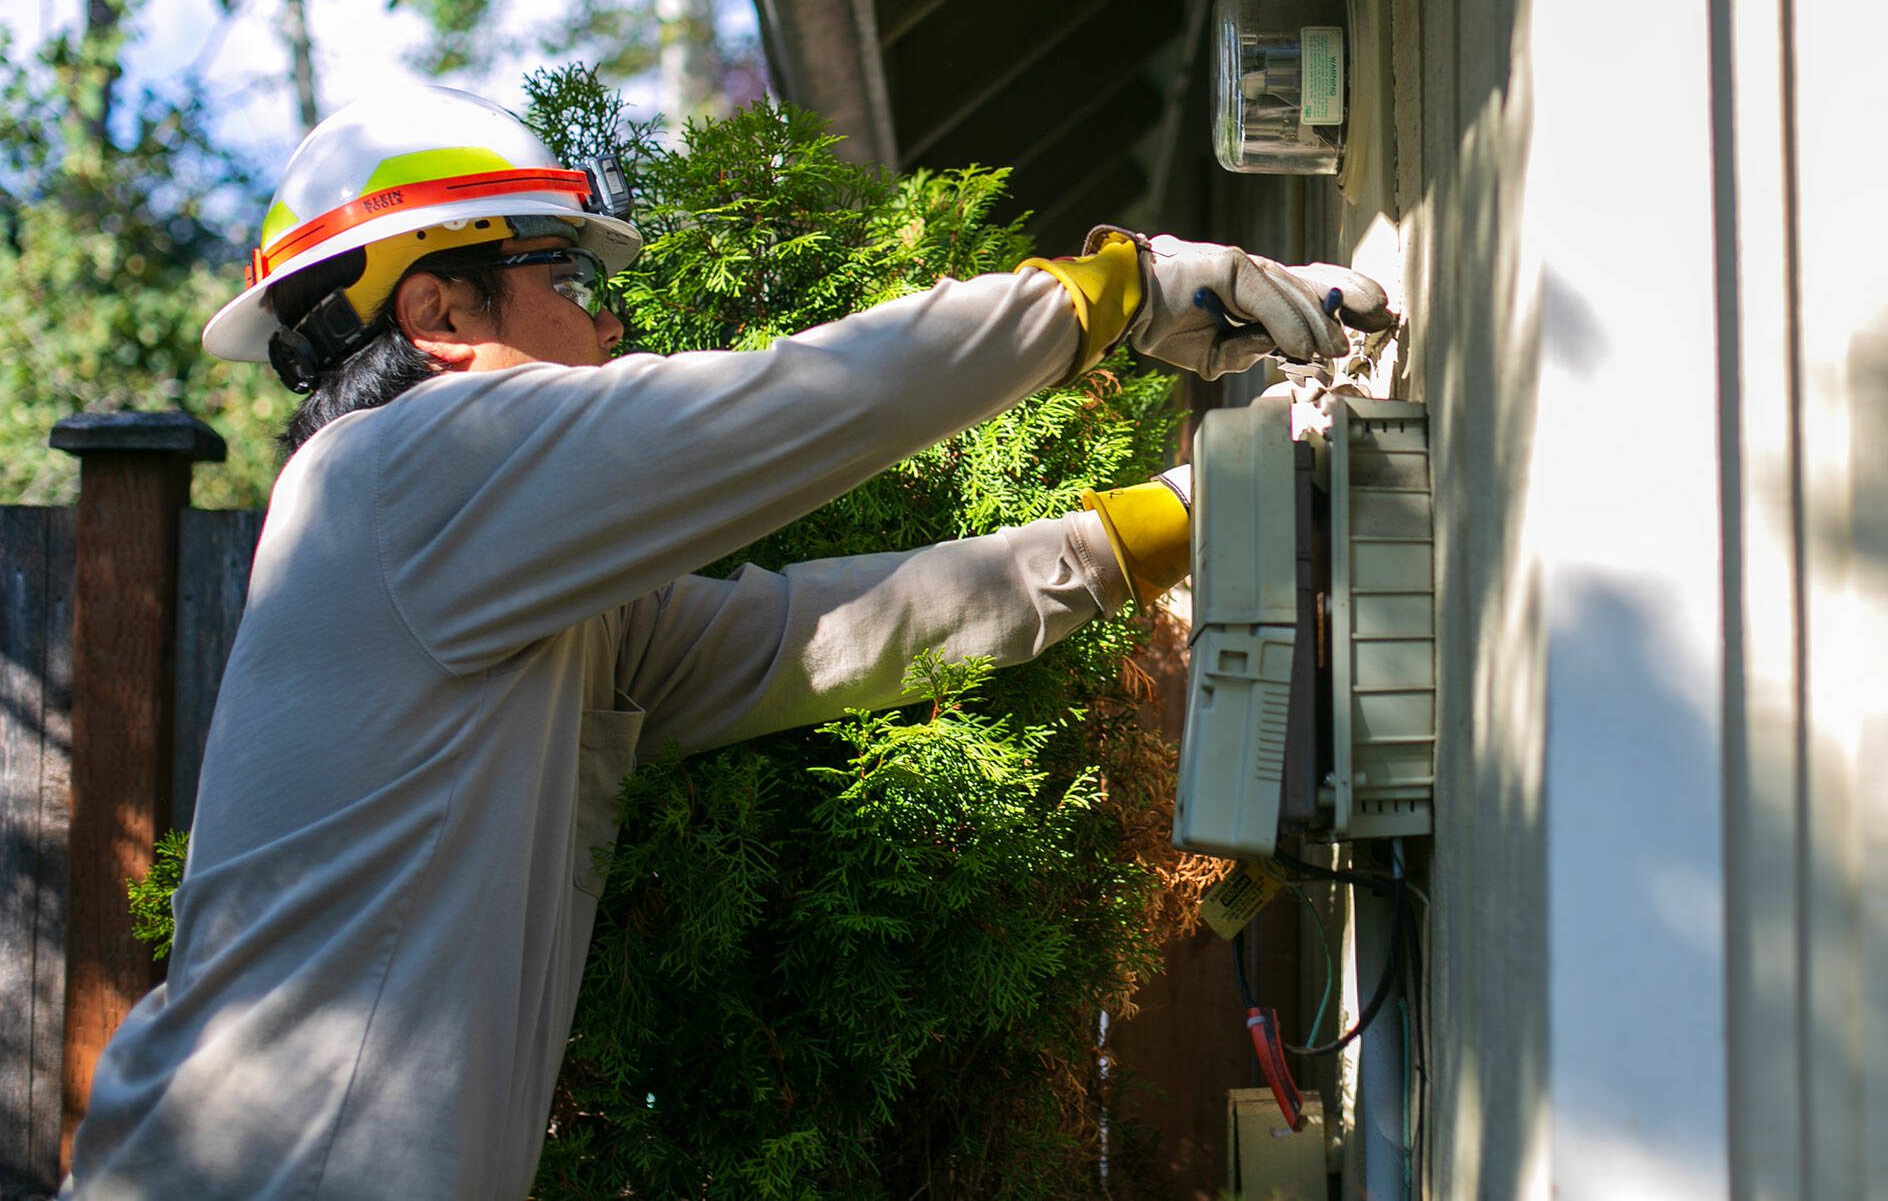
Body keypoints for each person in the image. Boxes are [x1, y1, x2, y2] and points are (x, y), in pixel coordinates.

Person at [62, 85, 1388, 1198]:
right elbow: (786, 409)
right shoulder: (399, 475)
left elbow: (818, 635)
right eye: (565, 273)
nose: (612, 317)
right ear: (439, 317)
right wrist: (1112, 292)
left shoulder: (477, 571)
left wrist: (1156, 526)